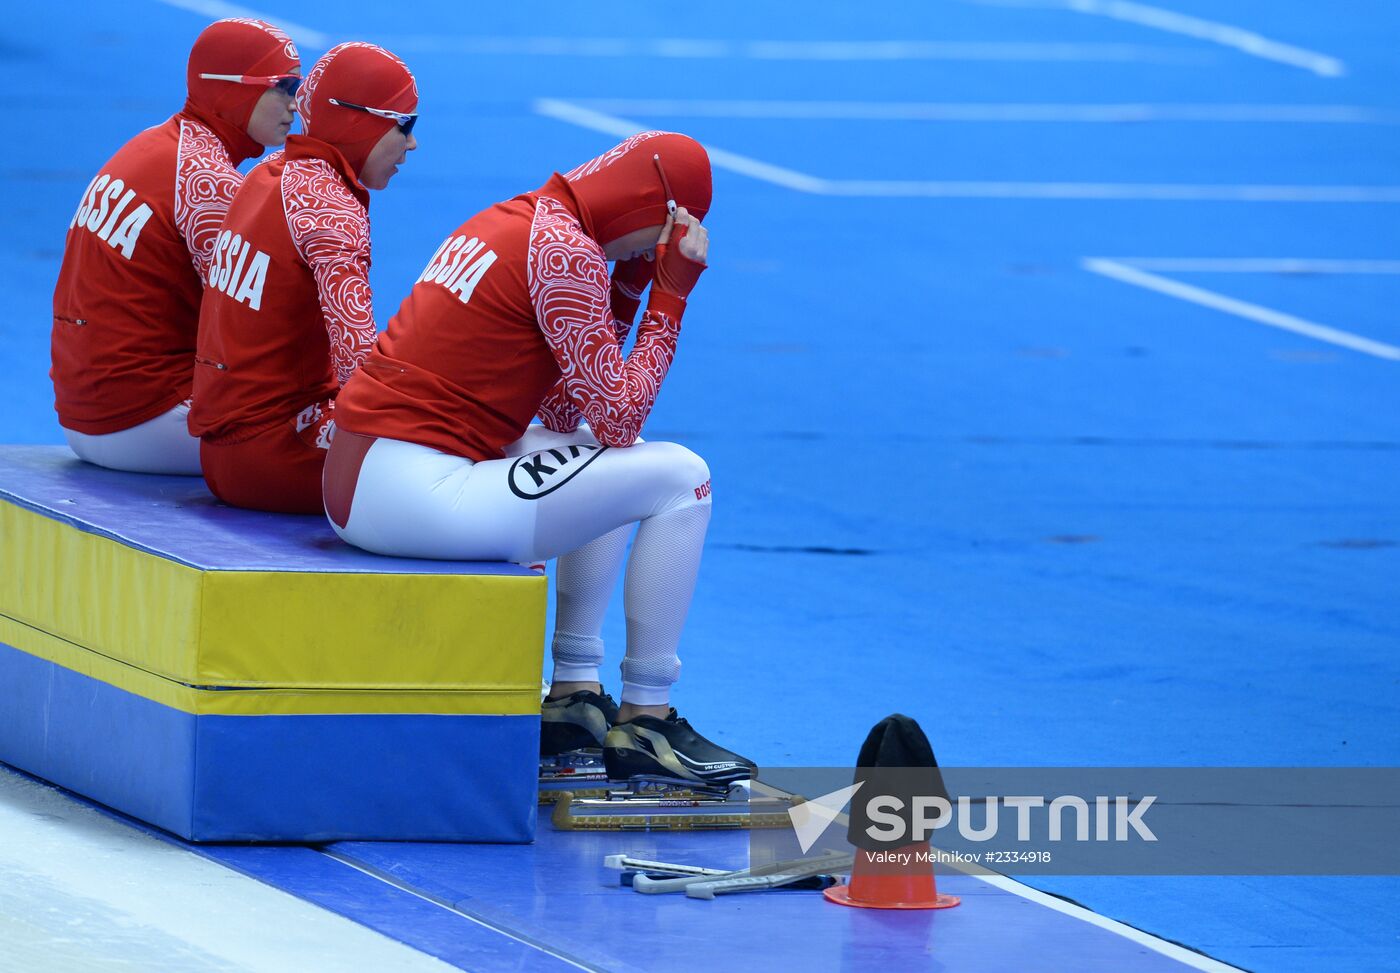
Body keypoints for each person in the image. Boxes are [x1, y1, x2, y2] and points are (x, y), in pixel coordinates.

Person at [323, 131, 754, 788]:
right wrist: (670, 297)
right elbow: (619, 415)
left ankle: (574, 694)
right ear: (653, 213)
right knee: (681, 478)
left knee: (602, 460)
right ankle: (647, 713)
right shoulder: (566, 251)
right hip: (410, 487)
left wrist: (627, 294)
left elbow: (561, 412)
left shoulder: (523, 220)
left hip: (375, 472)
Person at [51, 19, 300, 475]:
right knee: (339, 447)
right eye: (282, 86)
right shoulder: (210, 183)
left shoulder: (152, 146)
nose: (295, 102)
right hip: (146, 421)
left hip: (83, 413)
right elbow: (262, 335)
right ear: (233, 91)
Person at [188, 43, 418, 513]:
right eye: (405, 124)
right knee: (475, 449)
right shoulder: (331, 209)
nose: (412, 144)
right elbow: (359, 369)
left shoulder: (265, 174)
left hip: (220, 450)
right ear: (361, 120)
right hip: (279, 455)